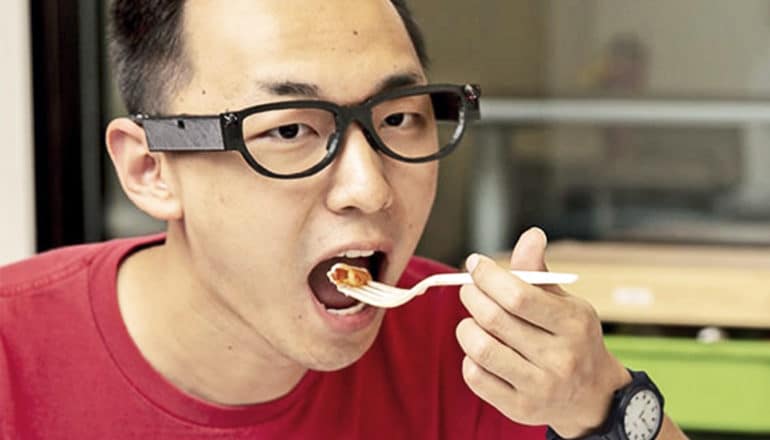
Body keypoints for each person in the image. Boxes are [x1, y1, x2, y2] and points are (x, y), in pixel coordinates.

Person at [0, 1, 688, 439]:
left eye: (397, 119)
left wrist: (597, 401)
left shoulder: (473, 355)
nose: (368, 188)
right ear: (151, 168)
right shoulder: (14, 358)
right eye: (290, 129)